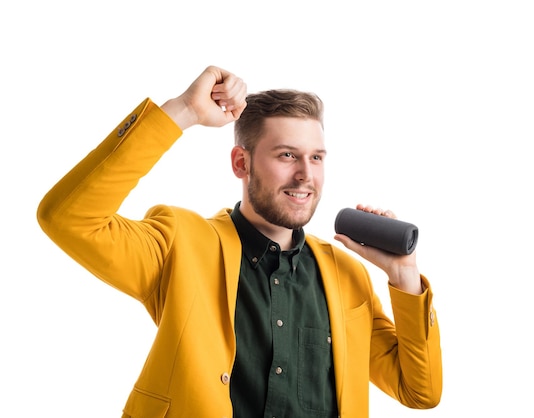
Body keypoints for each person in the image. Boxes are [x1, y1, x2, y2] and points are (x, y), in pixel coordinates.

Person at [37, 65, 442, 417]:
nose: (306, 175)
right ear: (240, 163)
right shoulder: (181, 245)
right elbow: (68, 218)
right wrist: (185, 111)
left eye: (316, 157)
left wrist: (404, 276)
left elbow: (419, 392)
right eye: (287, 155)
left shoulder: (346, 276)